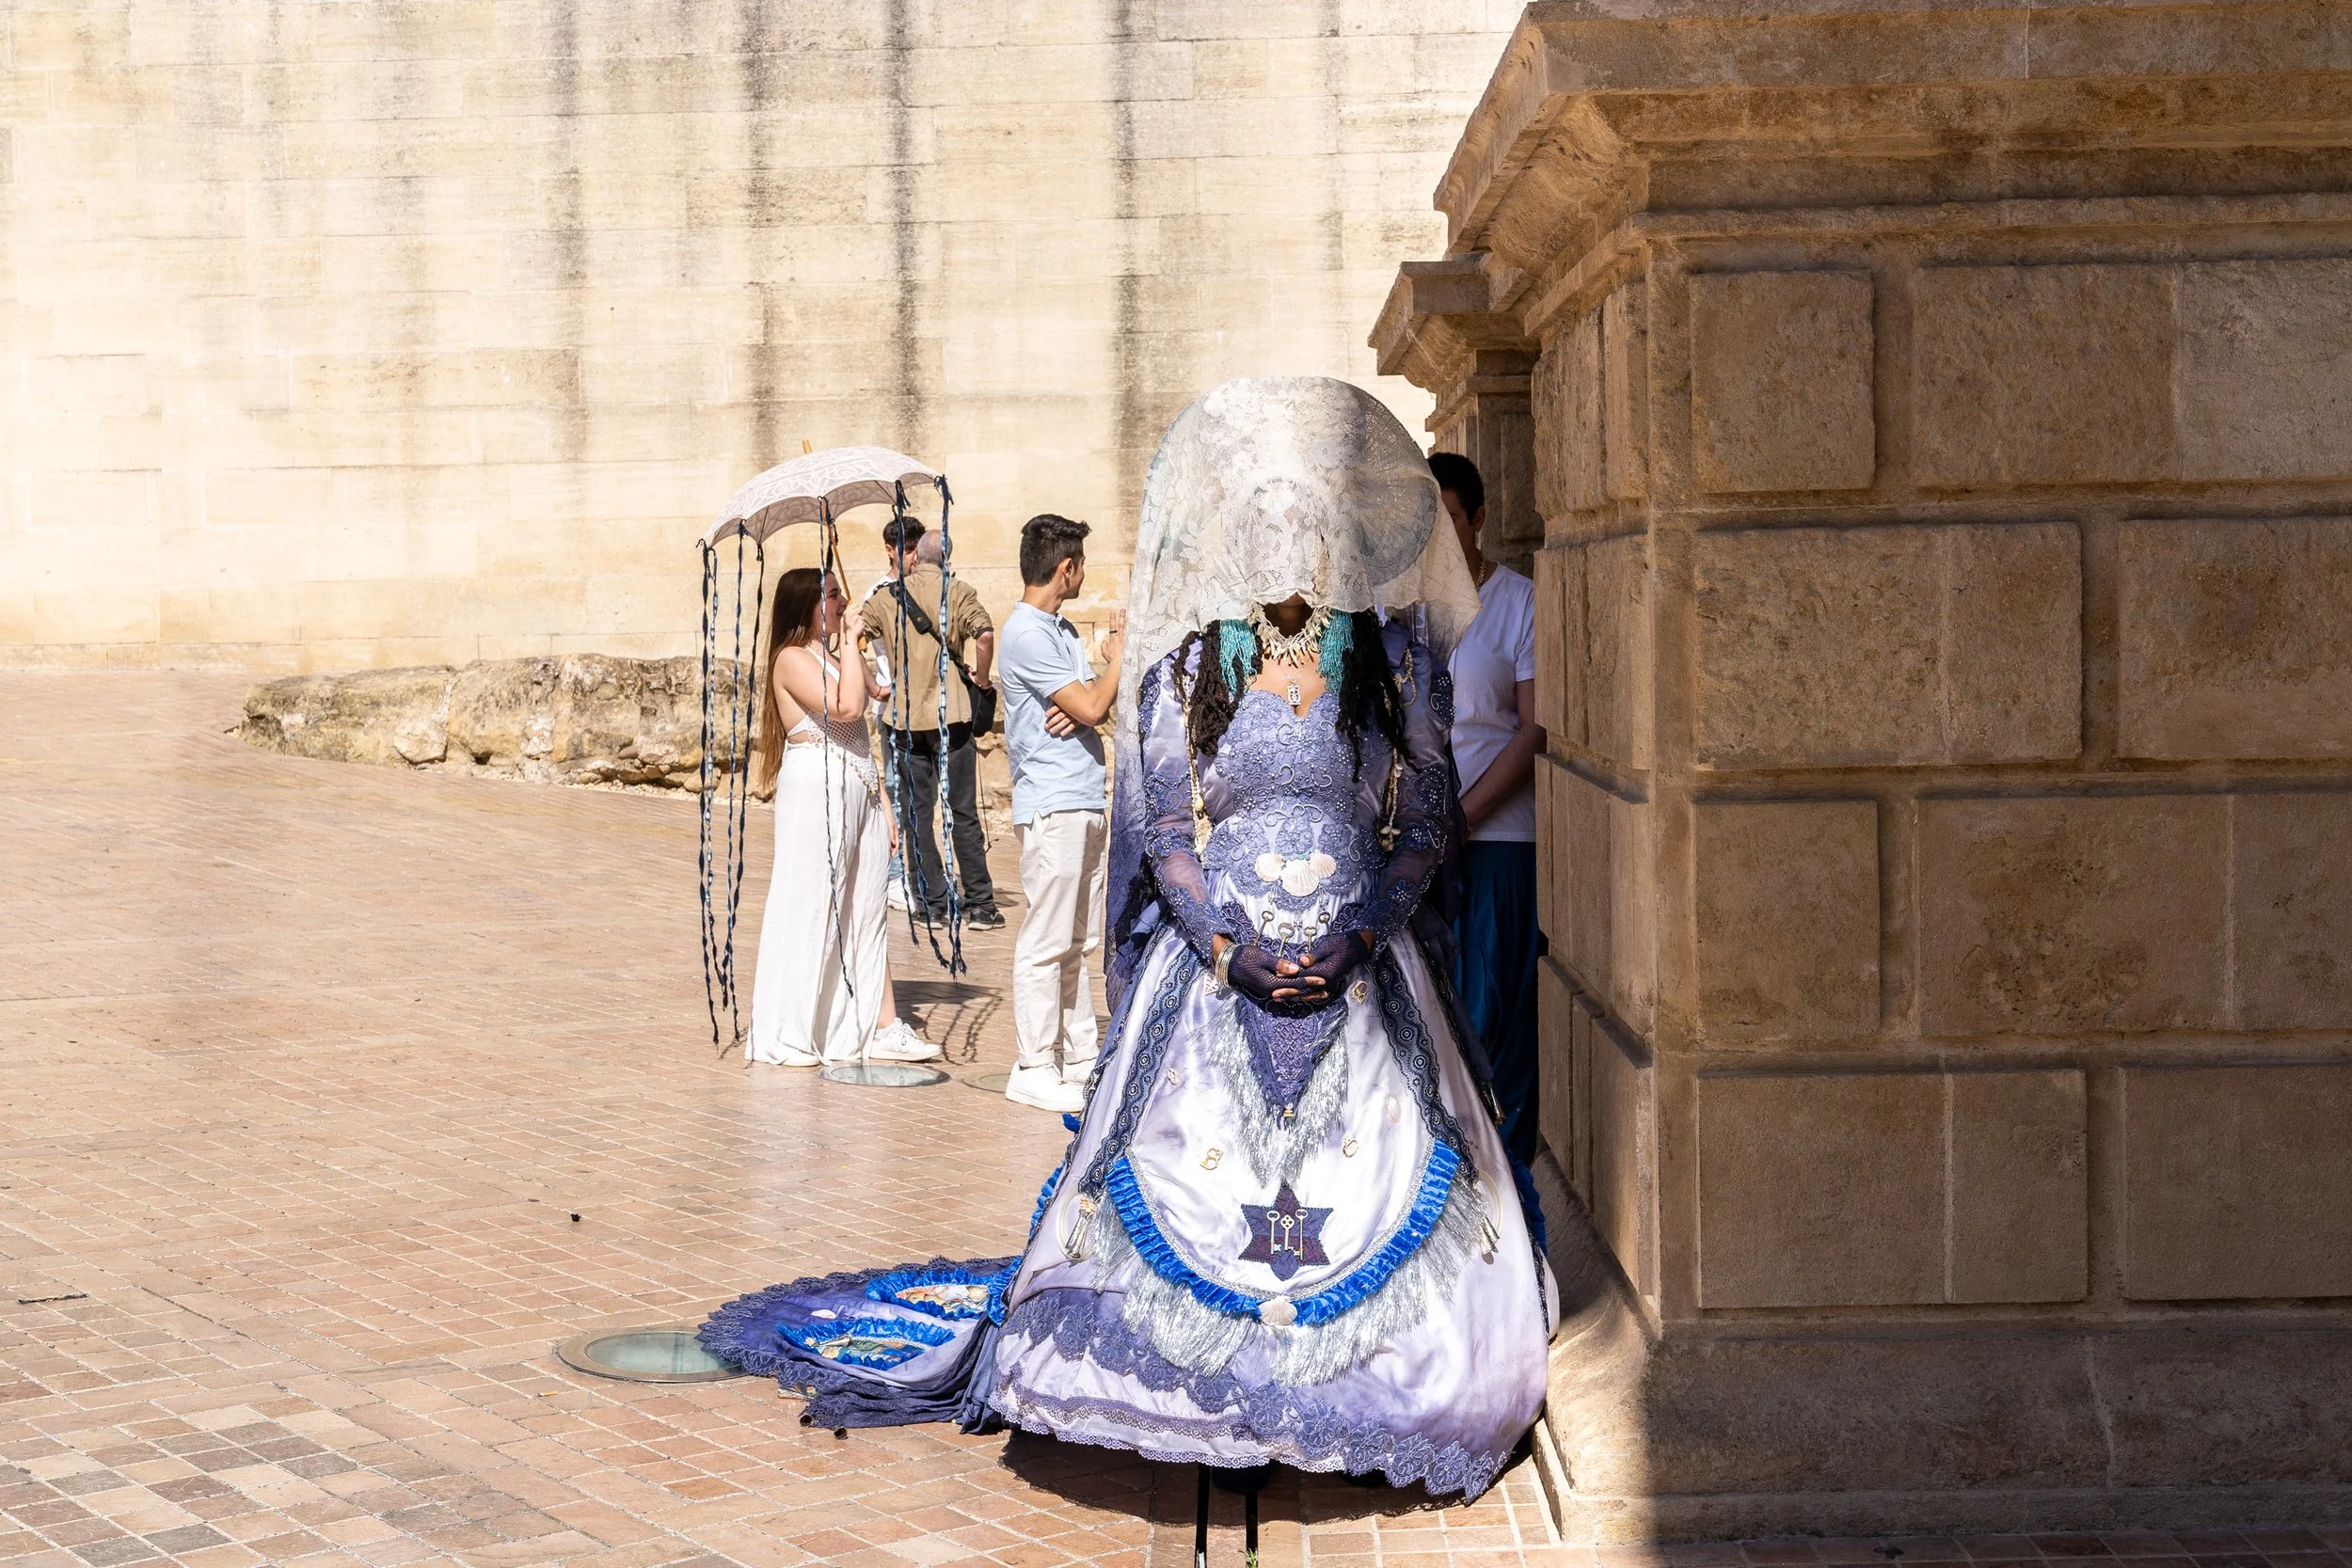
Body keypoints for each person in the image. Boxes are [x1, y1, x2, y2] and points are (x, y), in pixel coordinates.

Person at [702, 379, 1552, 1499]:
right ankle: (1209, 1395)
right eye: (1262, 528)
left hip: (1357, 966)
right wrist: (1223, 947)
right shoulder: (1190, 668)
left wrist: (1363, 935)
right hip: (1221, 971)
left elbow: (1427, 816)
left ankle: (1356, 1383)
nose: (1284, 549)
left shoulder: (1386, 664)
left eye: (1303, 528)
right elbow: (1163, 830)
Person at [745, 566, 941, 1068]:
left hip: (859, 787)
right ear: (807, 606)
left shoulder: (832, 655)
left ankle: (881, 1025)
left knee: (866, 906)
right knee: (814, 899)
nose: (841, 603)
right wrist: (852, 642)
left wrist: (884, 802)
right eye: (830, 596)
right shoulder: (790, 659)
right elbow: (848, 707)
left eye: (839, 593)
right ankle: (792, 1029)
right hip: (818, 789)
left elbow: (864, 726)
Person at [1428, 452, 1543, 1167]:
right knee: (1434, 1019)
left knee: (1497, 1014)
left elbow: (1534, 729)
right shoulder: (1403, 610)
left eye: (1449, 520)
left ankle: (1509, 1189)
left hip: (1499, 841)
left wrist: (1464, 819)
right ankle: (1446, 1186)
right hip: (1419, 850)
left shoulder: (1519, 603)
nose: (1438, 538)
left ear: (1477, 520)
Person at [994, 515, 1124, 1116]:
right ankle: (1033, 1065)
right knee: (1046, 940)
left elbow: (1091, 703)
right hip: (1054, 801)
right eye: (1082, 564)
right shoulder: (1026, 633)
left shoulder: (1061, 630)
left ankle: (1078, 1057)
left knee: (1079, 939)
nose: (1084, 573)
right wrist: (1117, 661)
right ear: (1066, 568)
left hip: (1083, 796)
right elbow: (1094, 704)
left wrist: (1088, 697)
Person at [859, 517, 1003, 930]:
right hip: (952, 717)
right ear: (946, 559)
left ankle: (931, 904)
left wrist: (873, 684)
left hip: (905, 719)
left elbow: (853, 637)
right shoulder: (957, 591)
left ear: (916, 556)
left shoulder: (886, 597)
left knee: (917, 815)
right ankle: (980, 905)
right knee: (962, 812)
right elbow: (984, 634)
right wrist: (980, 677)